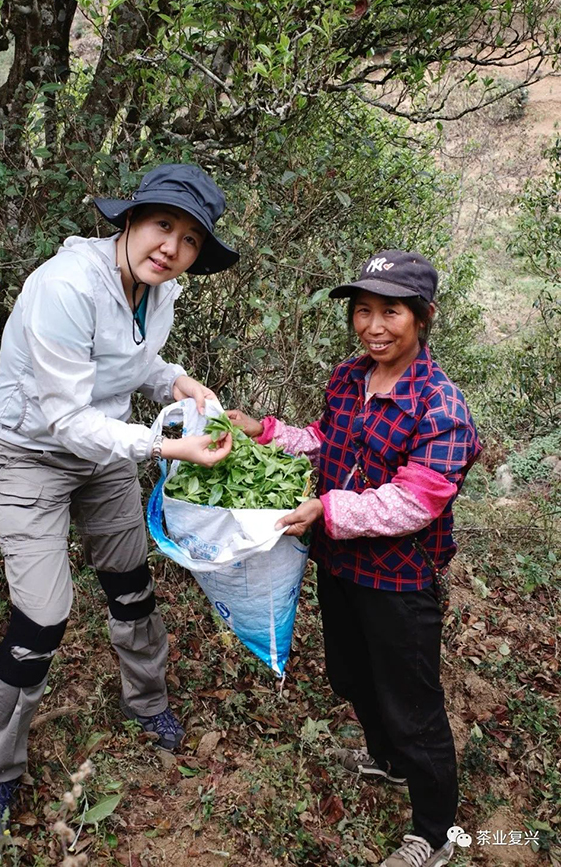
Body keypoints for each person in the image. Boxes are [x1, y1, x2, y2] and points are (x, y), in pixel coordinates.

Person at [0, 163, 238, 840]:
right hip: (33, 452)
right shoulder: (65, 287)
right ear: (130, 219)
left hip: (109, 449)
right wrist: (163, 447)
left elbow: (134, 364)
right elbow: (65, 419)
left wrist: (178, 382)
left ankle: (147, 703)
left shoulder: (158, 290)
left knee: (131, 586)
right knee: (41, 619)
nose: (171, 247)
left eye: (190, 240)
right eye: (162, 225)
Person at [228, 250, 481, 867]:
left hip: (399, 579)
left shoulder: (442, 409)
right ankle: (389, 761)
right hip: (339, 565)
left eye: (390, 312)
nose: (373, 326)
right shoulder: (349, 378)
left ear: (423, 317)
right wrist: (263, 432)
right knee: (348, 673)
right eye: (362, 311)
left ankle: (435, 831)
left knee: (412, 705)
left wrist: (329, 511)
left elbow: (413, 502)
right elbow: (322, 440)